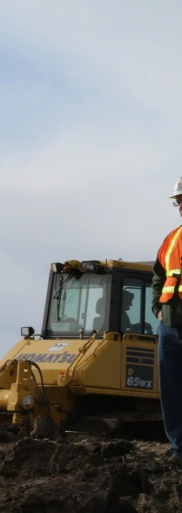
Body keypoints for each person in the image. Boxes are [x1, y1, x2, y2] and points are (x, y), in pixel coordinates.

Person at [151, 174, 182, 462]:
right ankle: (179, 450)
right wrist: (158, 310)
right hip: (170, 329)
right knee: (172, 393)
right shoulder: (171, 240)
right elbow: (158, 278)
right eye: (179, 202)